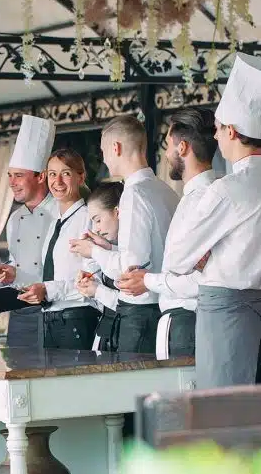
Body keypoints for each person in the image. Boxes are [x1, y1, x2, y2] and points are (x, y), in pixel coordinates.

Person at [163, 52, 261, 389]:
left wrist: (205, 256)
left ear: (232, 132)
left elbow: (176, 260)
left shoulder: (226, 190)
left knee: (225, 411)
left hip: (224, 317)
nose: (216, 137)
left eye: (219, 130)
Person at [70, 115, 180, 353]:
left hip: (139, 316)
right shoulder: (166, 191)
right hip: (165, 307)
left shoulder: (133, 193)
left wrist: (94, 251)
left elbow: (129, 271)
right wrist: (109, 248)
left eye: (103, 151)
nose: (104, 159)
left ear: (115, 148)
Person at [116, 108, 218, 359]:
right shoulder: (190, 196)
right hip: (186, 321)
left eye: (168, 146)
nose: (165, 154)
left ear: (182, 148)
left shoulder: (202, 200)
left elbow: (203, 277)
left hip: (189, 322)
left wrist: (148, 280)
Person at [0, 149, 101, 349]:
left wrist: (47, 290)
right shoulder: (55, 224)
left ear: (81, 177)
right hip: (51, 319)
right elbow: (48, 273)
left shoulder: (88, 219)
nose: (57, 181)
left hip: (77, 318)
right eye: (52, 174)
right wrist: (17, 276)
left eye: (65, 173)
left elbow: (94, 281)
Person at [0, 115, 59, 347]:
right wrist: (10, 272)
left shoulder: (61, 212)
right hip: (19, 310)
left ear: (41, 176)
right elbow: (18, 261)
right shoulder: (14, 219)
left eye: (19, 175)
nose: (12, 182)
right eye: (10, 175)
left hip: (52, 310)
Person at [75, 181, 126, 351]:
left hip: (125, 336)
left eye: (98, 220)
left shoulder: (135, 254)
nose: (96, 229)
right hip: (105, 334)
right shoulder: (111, 250)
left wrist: (97, 290)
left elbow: (132, 305)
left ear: (117, 212)